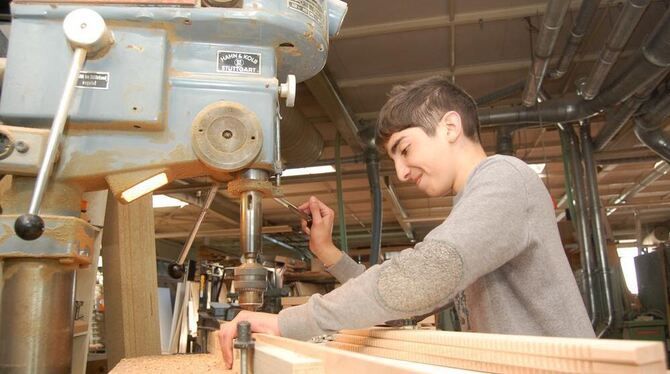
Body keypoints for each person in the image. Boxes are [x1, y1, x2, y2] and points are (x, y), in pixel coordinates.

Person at [218, 76, 595, 368]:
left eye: (405, 149)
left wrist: (288, 322)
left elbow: (422, 278)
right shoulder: (474, 207)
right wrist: (328, 253)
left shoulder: (505, 177)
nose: (399, 172)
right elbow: (408, 303)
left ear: (449, 127)